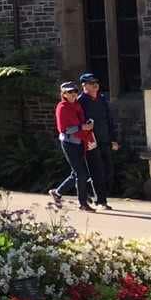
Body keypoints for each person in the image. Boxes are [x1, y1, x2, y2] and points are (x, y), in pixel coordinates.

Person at [50, 81, 96, 213]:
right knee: (82, 174)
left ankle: (57, 193)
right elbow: (63, 130)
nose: (73, 94)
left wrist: (86, 124)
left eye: (75, 91)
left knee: (77, 173)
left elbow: (80, 121)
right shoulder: (62, 107)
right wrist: (82, 127)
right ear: (63, 94)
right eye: (69, 92)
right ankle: (83, 203)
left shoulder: (77, 105)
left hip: (79, 142)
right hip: (69, 143)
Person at [78, 72, 118, 211]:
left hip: (105, 140)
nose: (95, 85)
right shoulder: (80, 102)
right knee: (97, 172)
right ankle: (101, 201)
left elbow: (109, 120)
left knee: (108, 171)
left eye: (96, 82)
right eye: (91, 83)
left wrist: (114, 139)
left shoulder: (101, 99)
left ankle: (88, 189)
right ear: (84, 86)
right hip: (91, 142)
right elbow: (80, 123)